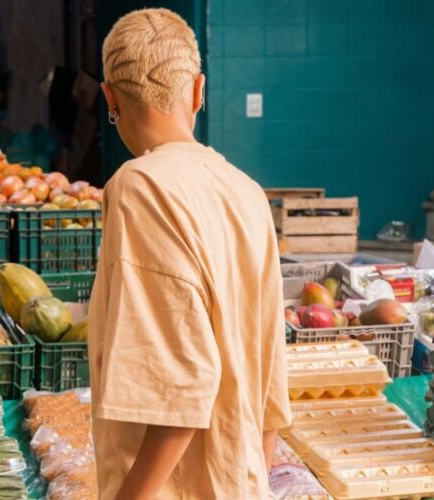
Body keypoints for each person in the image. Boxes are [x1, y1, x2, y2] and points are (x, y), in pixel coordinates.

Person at [88, 8, 292, 499]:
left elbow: (180, 388)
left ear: (109, 97)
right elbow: (270, 387)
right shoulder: (247, 193)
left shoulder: (138, 187)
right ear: (198, 90)